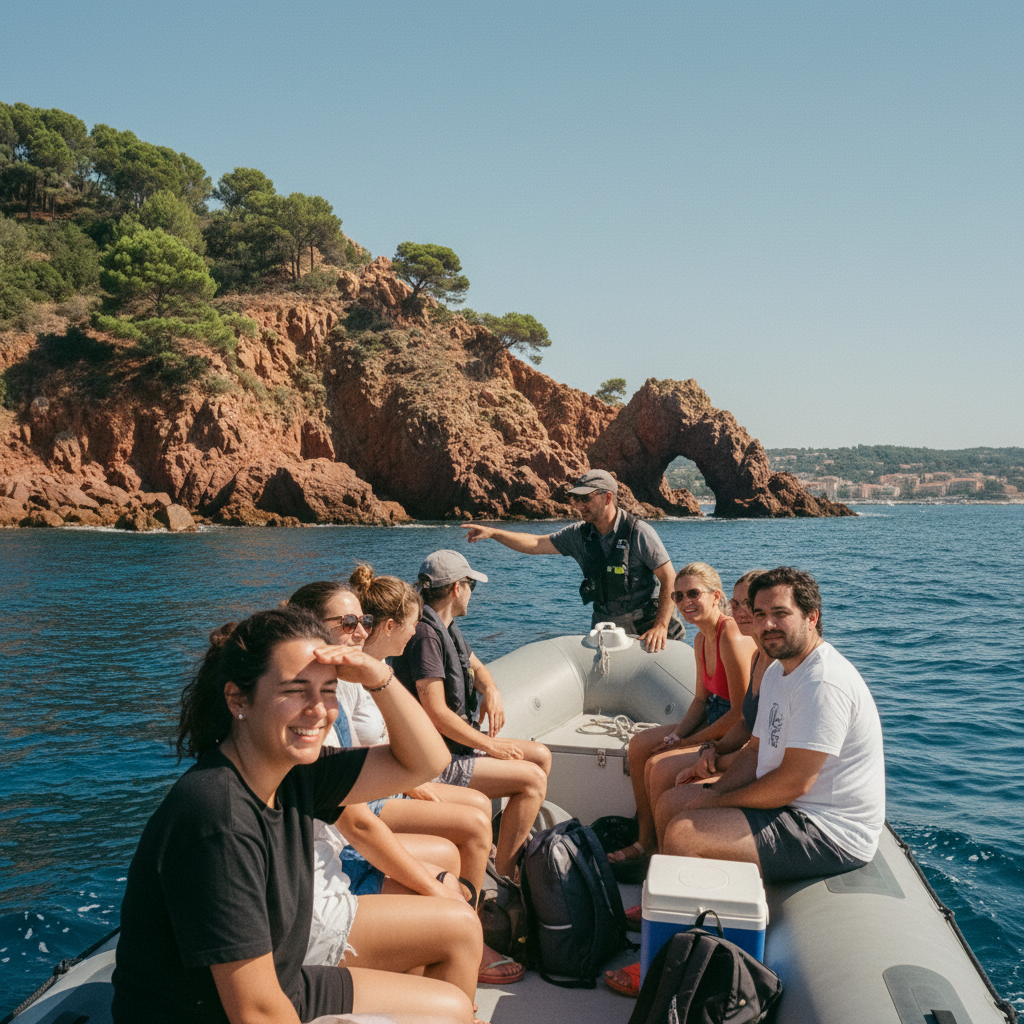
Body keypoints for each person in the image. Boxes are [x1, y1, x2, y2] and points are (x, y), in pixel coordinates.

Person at [112, 607, 479, 1024]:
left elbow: (425, 761)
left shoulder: (293, 773)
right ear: (238, 699)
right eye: (295, 690)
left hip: (285, 984)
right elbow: (257, 1012)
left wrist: (378, 676)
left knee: (453, 1008)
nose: (318, 709)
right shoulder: (217, 817)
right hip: (213, 1015)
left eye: (328, 690)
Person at [291, 574, 524, 987]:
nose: (361, 632)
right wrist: (436, 891)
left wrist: (377, 676)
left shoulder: (339, 693)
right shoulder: (308, 725)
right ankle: (463, 947)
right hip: (328, 871)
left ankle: (457, 943)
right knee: (461, 855)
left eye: (364, 621)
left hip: (339, 842)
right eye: (349, 623)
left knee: (451, 861)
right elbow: (357, 822)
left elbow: (412, 760)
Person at [659, 566, 885, 882]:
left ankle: (688, 910)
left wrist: (718, 801)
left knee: (685, 833)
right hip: (789, 804)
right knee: (672, 803)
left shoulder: (822, 683)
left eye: (780, 613)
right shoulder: (778, 671)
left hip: (827, 828)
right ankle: (661, 889)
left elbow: (794, 783)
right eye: (760, 614)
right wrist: (714, 791)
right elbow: (754, 751)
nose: (768, 625)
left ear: (811, 617)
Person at [393, 549, 552, 877]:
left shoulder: (446, 626)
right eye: (471, 586)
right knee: (532, 781)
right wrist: (490, 745)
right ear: (456, 588)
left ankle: (500, 849)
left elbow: (478, 668)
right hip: (436, 759)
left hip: (456, 745)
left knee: (540, 756)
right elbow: (436, 713)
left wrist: (491, 690)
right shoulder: (426, 636)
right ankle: (505, 876)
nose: (471, 593)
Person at [607, 563, 756, 865]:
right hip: (713, 716)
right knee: (640, 746)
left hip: (733, 729)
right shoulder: (700, 639)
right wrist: (676, 737)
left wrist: (686, 744)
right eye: (678, 596)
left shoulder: (729, 635)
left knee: (659, 767)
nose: (685, 602)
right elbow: (701, 700)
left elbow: (739, 714)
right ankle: (645, 842)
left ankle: (662, 855)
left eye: (693, 594)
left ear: (716, 597)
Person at [462, 469, 684, 652]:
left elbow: (669, 578)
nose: (578, 505)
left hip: (646, 630)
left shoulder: (639, 532)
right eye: (576, 499)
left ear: (608, 498)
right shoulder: (578, 535)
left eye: (585, 499)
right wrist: (494, 533)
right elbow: (536, 543)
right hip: (605, 629)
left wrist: (661, 626)